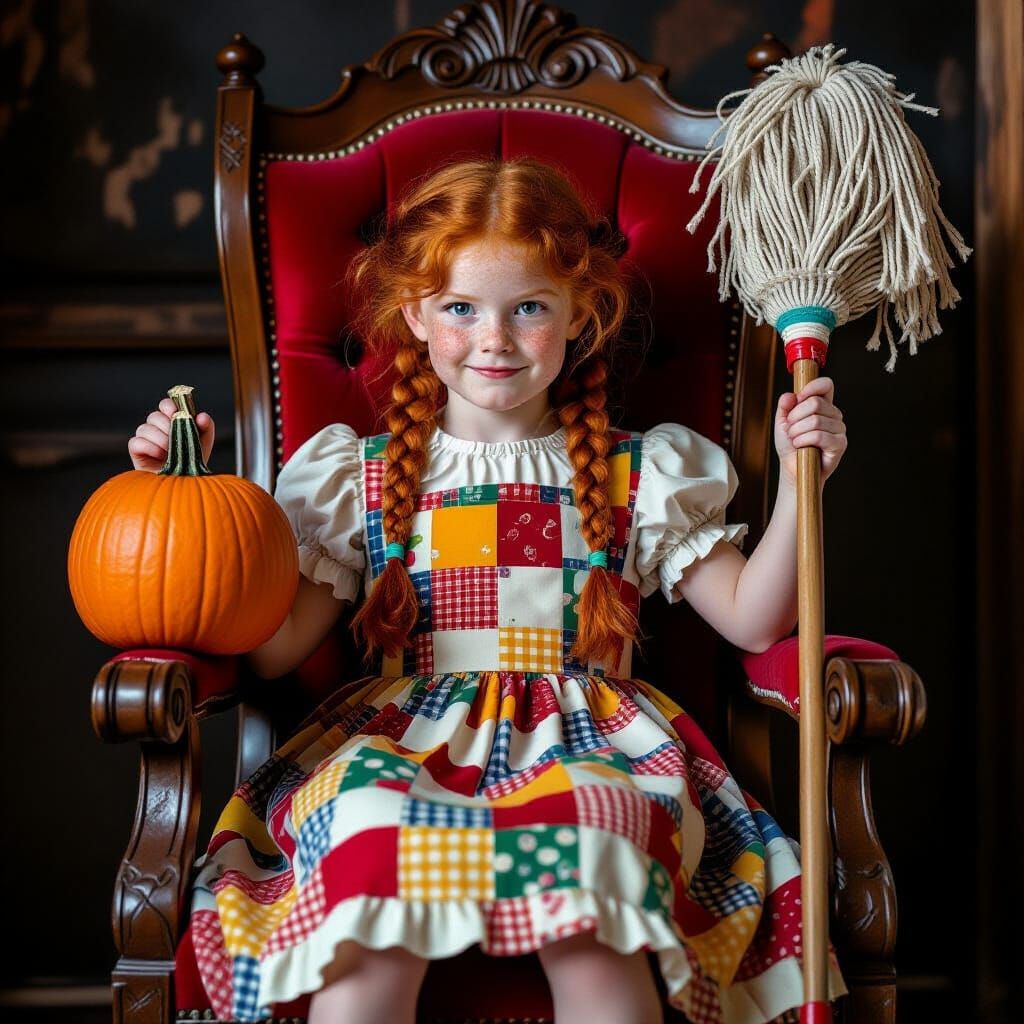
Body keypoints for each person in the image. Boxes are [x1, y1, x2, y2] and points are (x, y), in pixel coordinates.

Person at [129, 157, 849, 1024]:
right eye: (461, 308)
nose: (494, 339)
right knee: (369, 858)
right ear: (415, 316)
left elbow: (755, 615)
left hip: (587, 742)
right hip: (397, 745)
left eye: (529, 308)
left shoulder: (638, 471)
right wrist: (181, 498)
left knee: (595, 867)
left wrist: (806, 488)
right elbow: (272, 644)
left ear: (579, 314)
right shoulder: (357, 476)